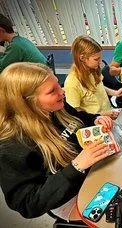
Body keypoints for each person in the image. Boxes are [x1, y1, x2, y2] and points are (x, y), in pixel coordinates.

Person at [0, 62, 114, 221]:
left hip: (93, 171)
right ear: (28, 102)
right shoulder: (11, 148)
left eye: (58, 85)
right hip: (69, 197)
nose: (63, 92)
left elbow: (78, 119)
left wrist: (95, 120)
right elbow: (29, 204)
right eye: (52, 91)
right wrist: (76, 167)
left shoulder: (57, 106)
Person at [64, 35, 122, 120]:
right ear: (82, 58)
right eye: (96, 59)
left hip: (108, 113)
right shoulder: (72, 83)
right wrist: (101, 115)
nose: (100, 62)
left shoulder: (92, 70)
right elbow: (76, 113)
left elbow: (99, 88)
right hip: (96, 120)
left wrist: (116, 93)